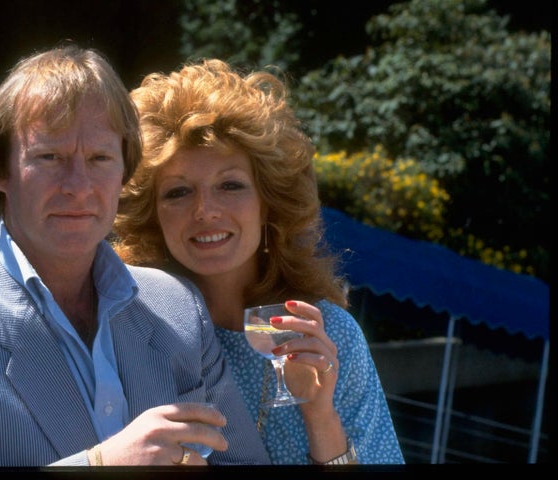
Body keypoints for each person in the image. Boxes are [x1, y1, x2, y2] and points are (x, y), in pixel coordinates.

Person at [0, 44, 271, 467]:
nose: (79, 185)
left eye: (99, 158)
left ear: (124, 173)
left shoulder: (179, 306)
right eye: (50, 156)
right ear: (0, 170)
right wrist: (99, 465)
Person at [112, 58, 405, 465]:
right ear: (152, 216)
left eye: (230, 185)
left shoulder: (329, 336)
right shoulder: (126, 335)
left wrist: (320, 414)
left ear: (269, 204)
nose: (205, 211)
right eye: (178, 192)